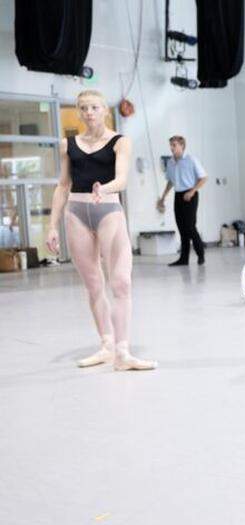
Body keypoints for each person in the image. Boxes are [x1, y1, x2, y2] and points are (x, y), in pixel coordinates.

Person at [44, 89, 156, 371]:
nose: (89, 113)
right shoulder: (68, 144)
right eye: (83, 108)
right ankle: (106, 345)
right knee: (93, 284)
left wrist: (102, 189)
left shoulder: (120, 142)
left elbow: (121, 179)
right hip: (77, 212)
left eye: (94, 107)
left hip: (108, 210)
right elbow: (62, 185)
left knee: (120, 282)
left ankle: (123, 352)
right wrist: (51, 226)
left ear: (105, 110)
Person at [156, 135, 207, 266]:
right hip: (178, 196)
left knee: (190, 227)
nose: (172, 148)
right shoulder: (171, 163)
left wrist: (192, 191)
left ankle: (201, 255)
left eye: (174, 145)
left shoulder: (191, 159)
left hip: (190, 195)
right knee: (182, 228)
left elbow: (203, 178)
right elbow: (170, 182)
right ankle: (183, 259)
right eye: (171, 145)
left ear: (182, 146)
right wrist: (163, 197)